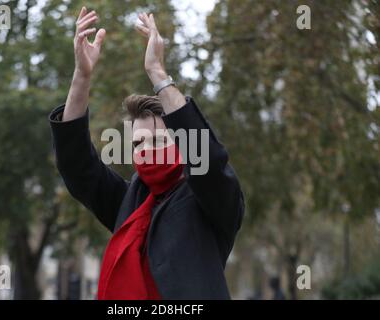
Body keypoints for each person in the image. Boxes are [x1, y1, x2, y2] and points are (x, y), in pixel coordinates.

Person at [48, 7, 245, 300]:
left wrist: (157, 72)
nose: (148, 151)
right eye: (139, 144)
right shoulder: (130, 201)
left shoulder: (210, 198)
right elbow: (76, 165)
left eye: (158, 140)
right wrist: (82, 75)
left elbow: (209, 160)